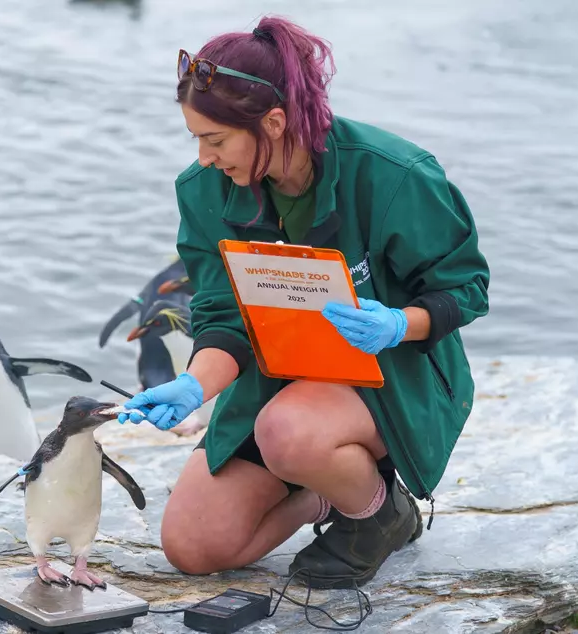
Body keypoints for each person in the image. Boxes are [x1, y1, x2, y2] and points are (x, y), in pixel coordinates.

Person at [117, 15, 490, 590]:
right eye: (195, 138)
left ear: (273, 121)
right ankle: (324, 496)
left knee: (289, 430)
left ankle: (378, 514)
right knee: (194, 546)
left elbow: (465, 287)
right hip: (278, 383)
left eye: (215, 140)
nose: (204, 157)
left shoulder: (394, 173)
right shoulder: (204, 190)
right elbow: (221, 316)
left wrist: (398, 324)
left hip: (391, 377)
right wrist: (194, 385)